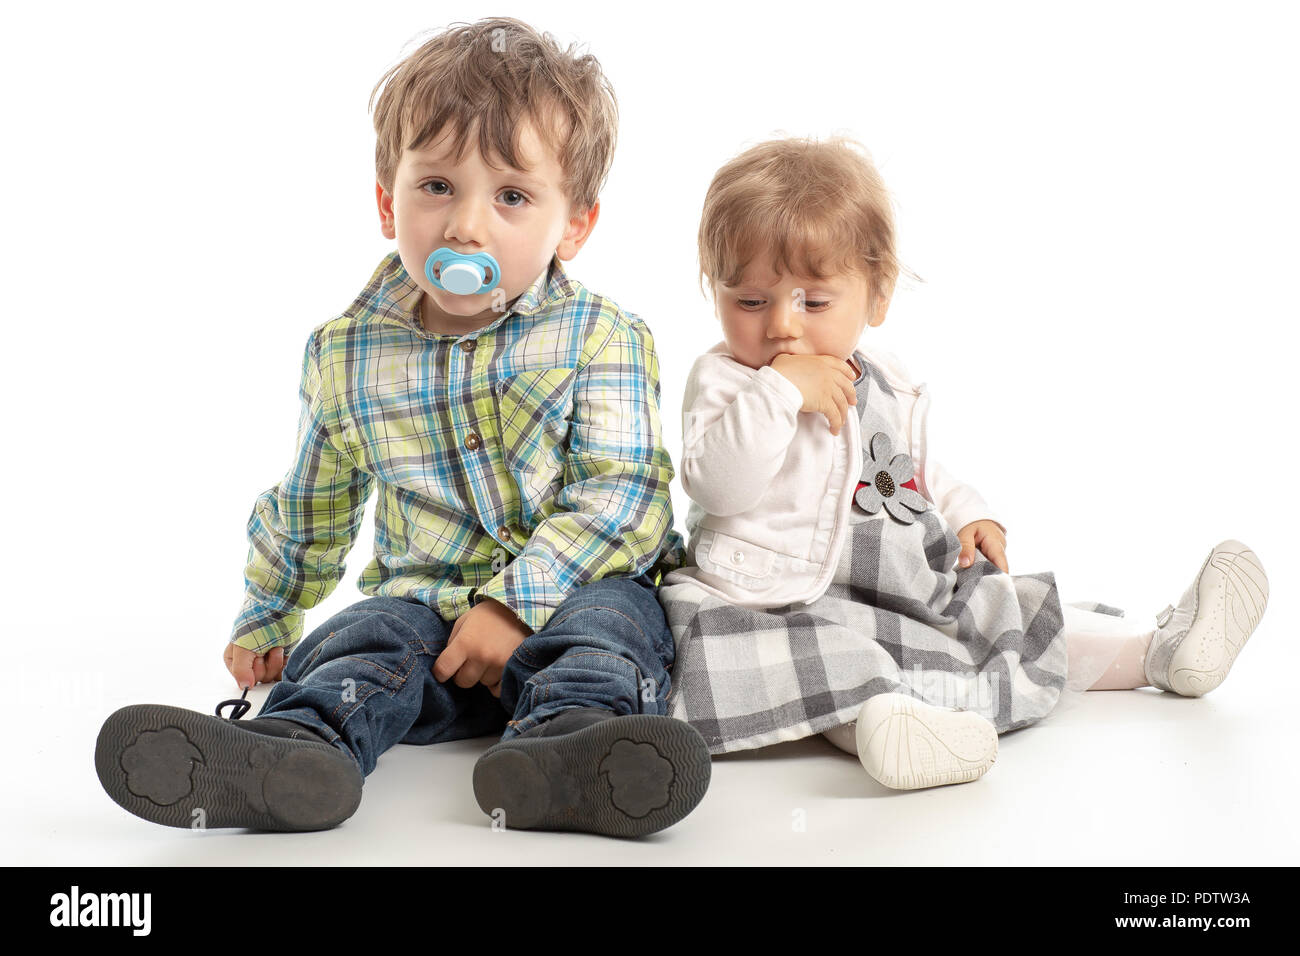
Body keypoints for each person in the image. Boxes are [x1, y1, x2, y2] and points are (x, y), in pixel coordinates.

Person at [94, 17, 710, 837]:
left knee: (611, 631)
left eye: (512, 196)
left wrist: (514, 604)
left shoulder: (600, 337)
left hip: (569, 593)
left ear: (574, 226)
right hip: (429, 621)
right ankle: (297, 749)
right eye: (437, 186)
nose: (466, 226)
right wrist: (268, 614)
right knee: (365, 639)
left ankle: (572, 750)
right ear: (389, 202)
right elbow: (314, 503)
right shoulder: (347, 353)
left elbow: (627, 496)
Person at [657, 135, 1269, 791]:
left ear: (877, 294)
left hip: (890, 591)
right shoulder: (728, 380)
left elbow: (909, 471)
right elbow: (717, 483)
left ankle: (1158, 654)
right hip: (769, 602)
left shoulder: (884, 379)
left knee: (995, 619)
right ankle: (888, 731)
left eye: (813, 300)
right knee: (829, 664)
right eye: (750, 301)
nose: (781, 325)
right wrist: (779, 393)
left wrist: (969, 512)